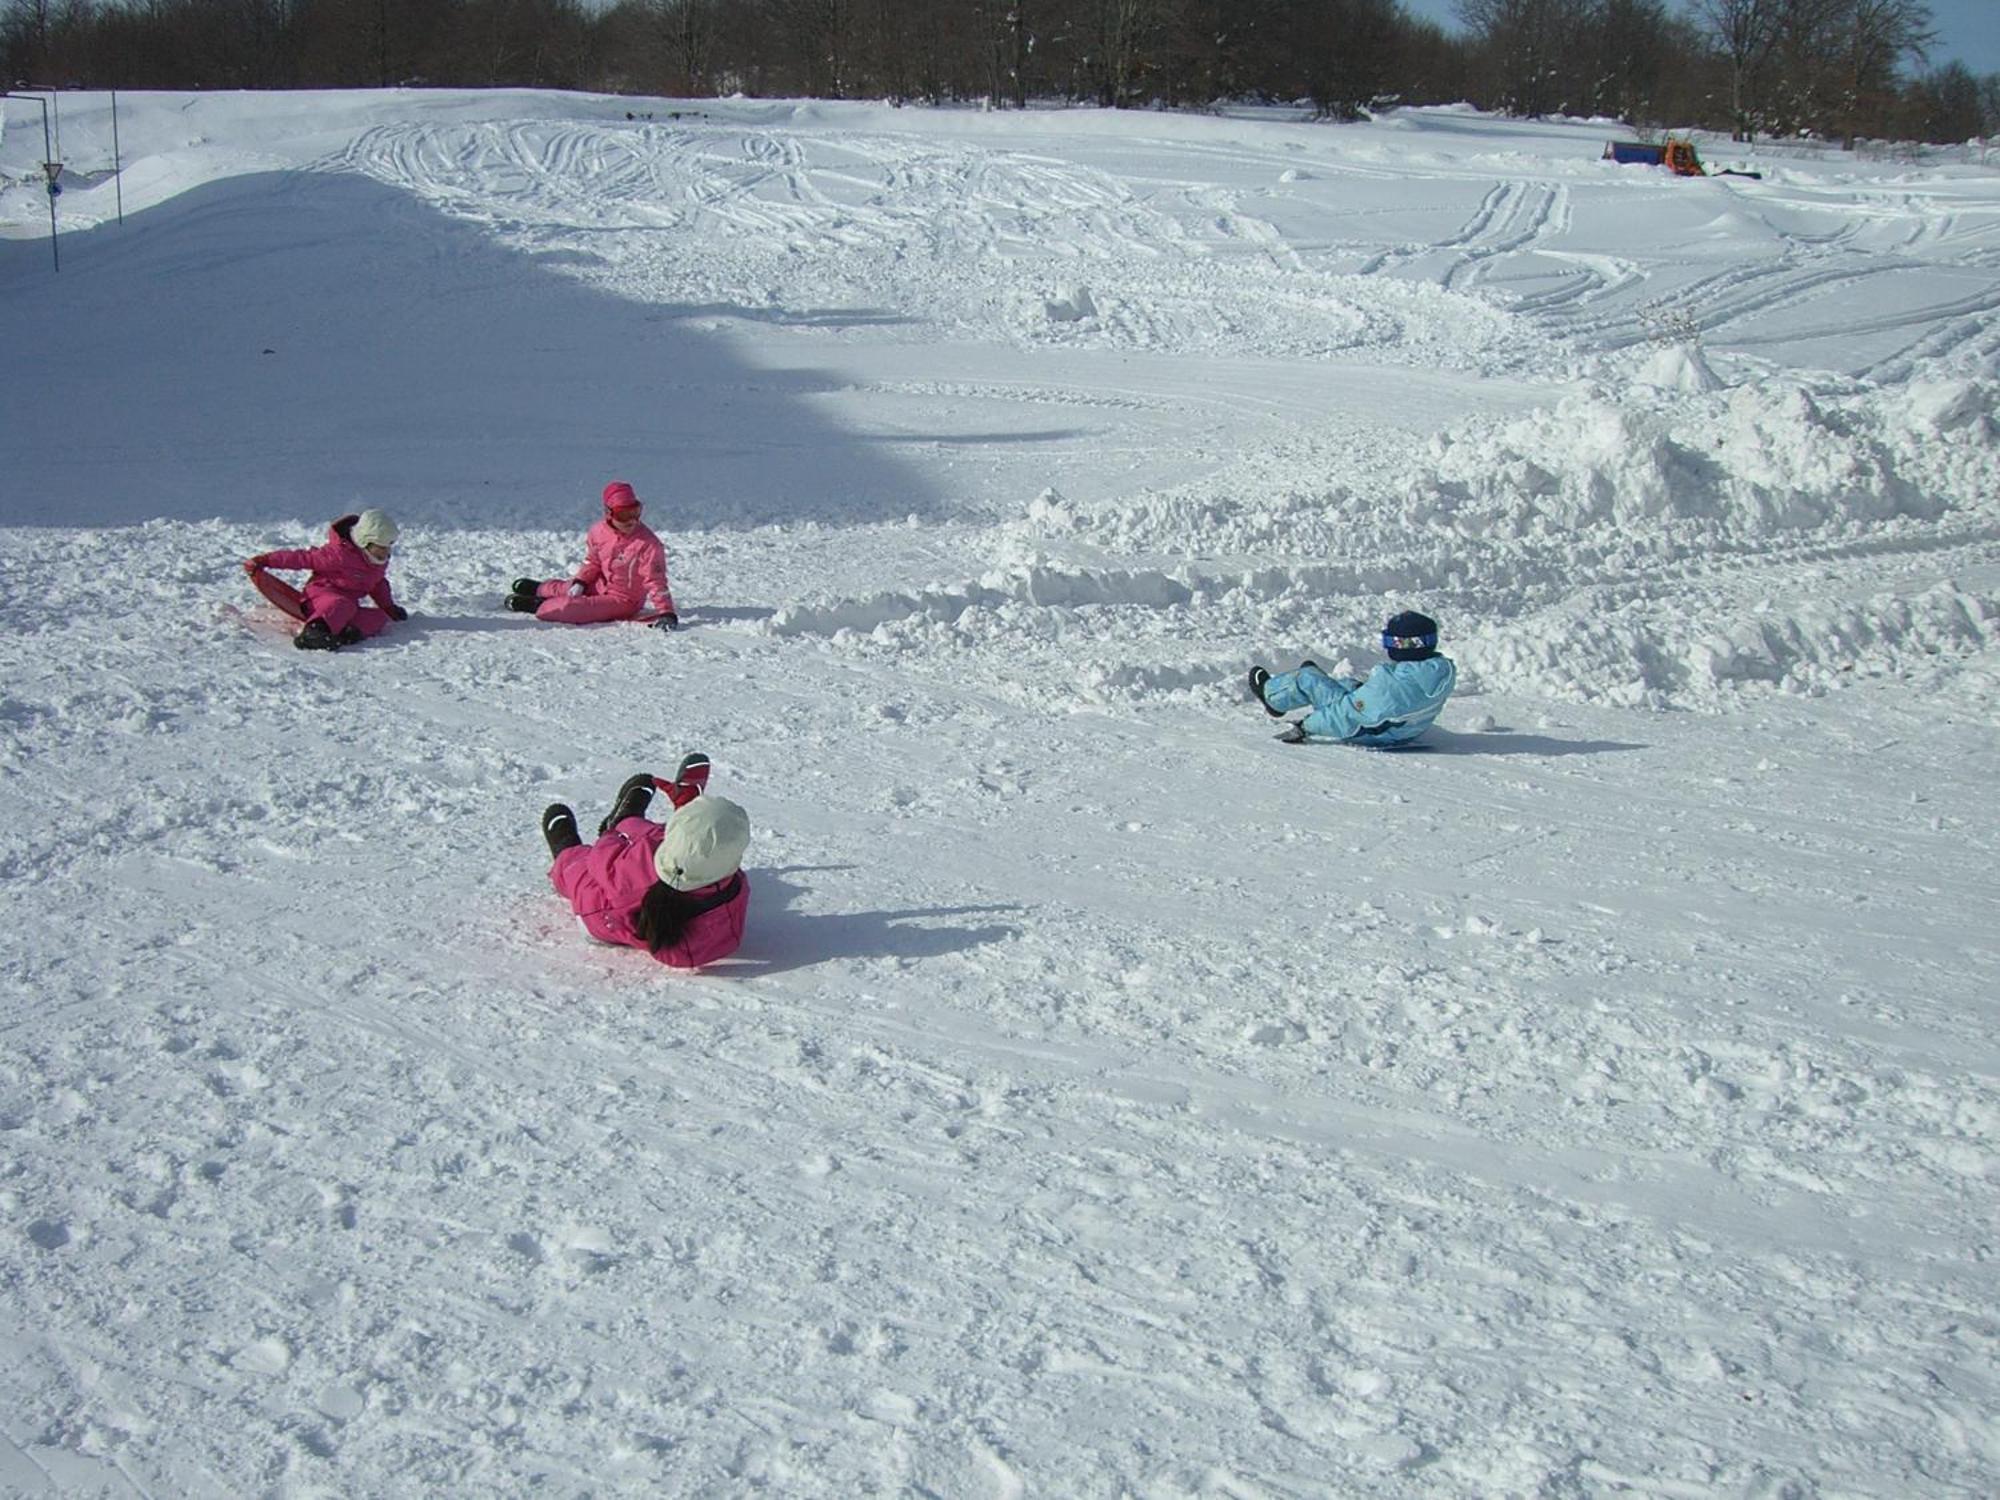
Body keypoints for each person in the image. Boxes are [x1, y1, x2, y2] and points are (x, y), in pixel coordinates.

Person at [542, 754, 750, 969]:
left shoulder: (636, 876)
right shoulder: (732, 880)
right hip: (684, 888)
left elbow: (601, 858)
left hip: (599, 914)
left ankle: (569, 847)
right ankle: (676, 811)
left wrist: (612, 834)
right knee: (674, 842)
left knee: (580, 868)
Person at [1250, 610, 1456, 746]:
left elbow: (1345, 715)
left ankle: (1272, 697)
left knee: (1307, 678)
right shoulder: (1441, 671)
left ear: (1401, 645)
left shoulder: (1389, 686)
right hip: (1407, 730)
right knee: (1348, 685)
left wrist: (1305, 727)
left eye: (1389, 640)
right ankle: (1317, 684)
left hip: (1373, 735)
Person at [506, 482, 678, 629]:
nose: (631, 521)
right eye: (623, 515)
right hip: (600, 584)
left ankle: (539, 606)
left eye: (635, 512)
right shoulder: (599, 531)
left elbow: (656, 581)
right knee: (568, 587)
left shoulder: (648, 544)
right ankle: (540, 589)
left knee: (572, 608)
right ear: (609, 513)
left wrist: (666, 612)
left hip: (623, 600)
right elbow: (593, 561)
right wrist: (582, 581)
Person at [244, 509, 408, 651]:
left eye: (389, 546)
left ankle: (347, 633)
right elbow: (301, 558)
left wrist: (388, 607)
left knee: (378, 618)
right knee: (340, 603)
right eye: (381, 546)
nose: (386, 552)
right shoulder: (338, 555)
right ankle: (314, 632)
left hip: (347, 607)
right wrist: (265, 560)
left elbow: (378, 583)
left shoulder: (376, 561)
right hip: (320, 598)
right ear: (366, 541)